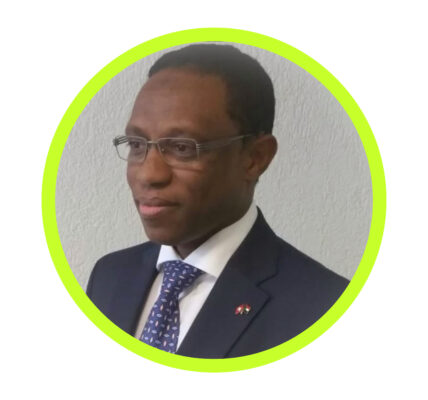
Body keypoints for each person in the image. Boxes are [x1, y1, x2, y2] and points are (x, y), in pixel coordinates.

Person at [86, 44, 349, 358]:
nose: (148, 173)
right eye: (136, 144)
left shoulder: (325, 308)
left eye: (182, 148)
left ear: (255, 157)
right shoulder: (110, 275)